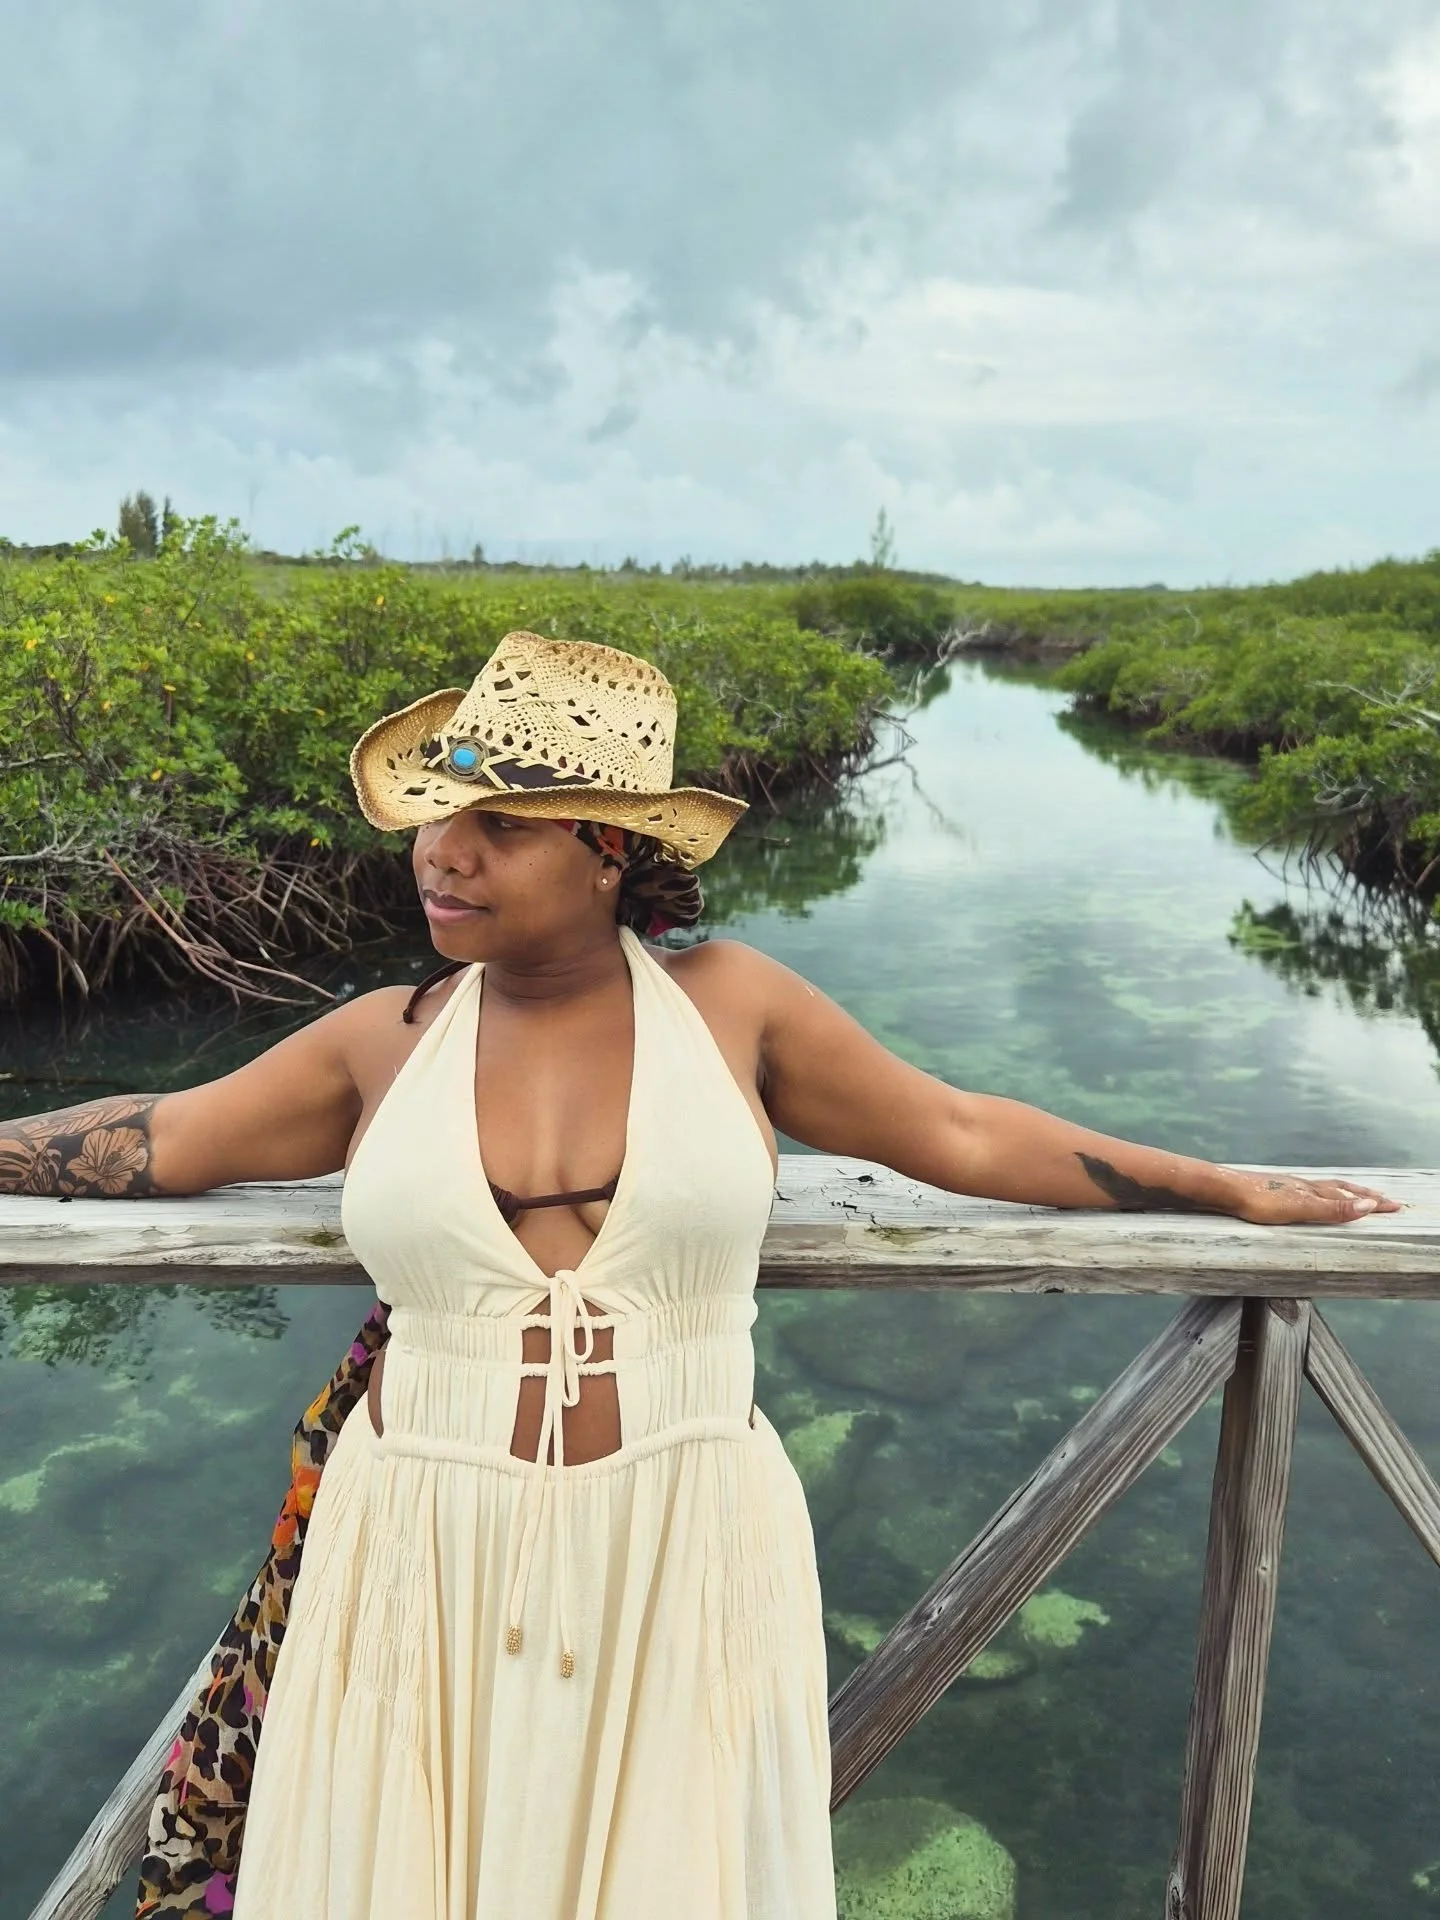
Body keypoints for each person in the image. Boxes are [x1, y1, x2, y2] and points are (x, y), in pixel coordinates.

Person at [0, 630, 1399, 1920]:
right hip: (416, 1535)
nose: (444, 853)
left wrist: (1217, 1185)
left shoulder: (734, 1005)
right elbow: (157, 1140)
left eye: (502, 826)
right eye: (439, 815)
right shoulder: (380, 1039)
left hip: (683, 1531)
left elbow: (963, 1133)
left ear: (611, 851)